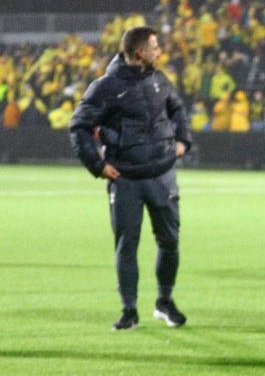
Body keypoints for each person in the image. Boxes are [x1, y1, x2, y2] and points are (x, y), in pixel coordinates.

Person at [69, 26, 191, 330]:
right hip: (126, 179)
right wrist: (96, 164)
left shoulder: (160, 80)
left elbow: (178, 110)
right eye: (155, 47)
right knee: (127, 245)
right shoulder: (106, 86)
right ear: (140, 52)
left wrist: (182, 141)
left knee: (170, 241)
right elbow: (79, 126)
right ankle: (129, 310)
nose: (160, 51)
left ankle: (164, 302)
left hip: (162, 173)